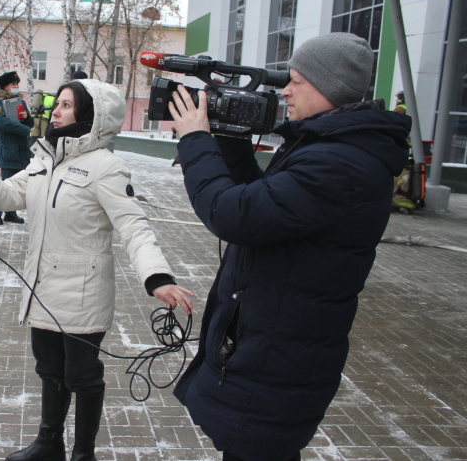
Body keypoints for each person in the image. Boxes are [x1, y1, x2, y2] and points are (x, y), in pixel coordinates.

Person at [168, 33, 411, 461]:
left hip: (280, 355)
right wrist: (230, 136)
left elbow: (231, 213)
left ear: (328, 87)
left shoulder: (337, 163)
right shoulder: (331, 149)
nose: (285, 90)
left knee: (257, 449)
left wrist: (195, 140)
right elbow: (263, 203)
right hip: (276, 345)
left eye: (296, 80)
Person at [0, 79, 195, 461]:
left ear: (89, 115)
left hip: (82, 292)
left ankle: (83, 453)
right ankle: (49, 444)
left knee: (82, 376)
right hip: (42, 287)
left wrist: (156, 276)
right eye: (55, 104)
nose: (54, 111)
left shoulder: (106, 167)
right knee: (49, 370)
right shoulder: (45, 158)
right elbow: (8, 195)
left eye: (65, 105)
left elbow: (134, 226)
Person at [0, 70, 34, 225]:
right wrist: (24, 129)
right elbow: (0, 123)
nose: (16, 86)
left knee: (18, 182)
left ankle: (11, 213)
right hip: (8, 149)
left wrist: (27, 119)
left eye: (17, 84)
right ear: (5, 86)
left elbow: (29, 123)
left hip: (21, 150)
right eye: (13, 84)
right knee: (5, 182)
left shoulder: (20, 102)